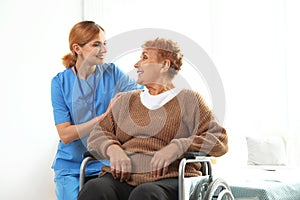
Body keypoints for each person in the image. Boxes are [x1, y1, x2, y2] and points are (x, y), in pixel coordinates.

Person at [78, 37, 228, 200]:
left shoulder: (189, 100)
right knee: (94, 188)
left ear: (164, 65)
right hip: (124, 177)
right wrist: (112, 149)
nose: (136, 64)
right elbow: (97, 135)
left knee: (145, 194)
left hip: (169, 179)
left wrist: (179, 146)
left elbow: (219, 140)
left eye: (144, 57)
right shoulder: (125, 100)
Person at [51, 21, 142, 200]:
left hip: (104, 163)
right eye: (96, 44)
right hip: (71, 166)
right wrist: (105, 116)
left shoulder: (112, 73)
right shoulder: (60, 83)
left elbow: (141, 93)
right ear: (77, 48)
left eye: (104, 43)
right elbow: (66, 134)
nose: (104, 49)